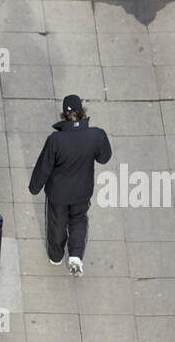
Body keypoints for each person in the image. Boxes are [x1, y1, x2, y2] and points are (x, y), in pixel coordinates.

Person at [28, 94, 112, 276]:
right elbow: (104, 158)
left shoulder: (55, 140)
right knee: (79, 220)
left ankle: (56, 256)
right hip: (82, 191)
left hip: (58, 193)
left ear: (63, 115)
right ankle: (75, 255)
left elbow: (44, 167)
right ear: (82, 111)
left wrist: (34, 187)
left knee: (56, 223)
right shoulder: (96, 135)